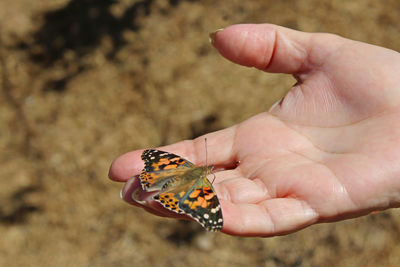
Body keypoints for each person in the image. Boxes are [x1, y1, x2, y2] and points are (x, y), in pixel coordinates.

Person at [108, 24, 400, 237]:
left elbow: (159, 160)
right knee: (177, 191)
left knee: (167, 184)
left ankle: (158, 188)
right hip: (184, 188)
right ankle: (161, 191)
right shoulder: (204, 189)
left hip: (176, 179)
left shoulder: (184, 168)